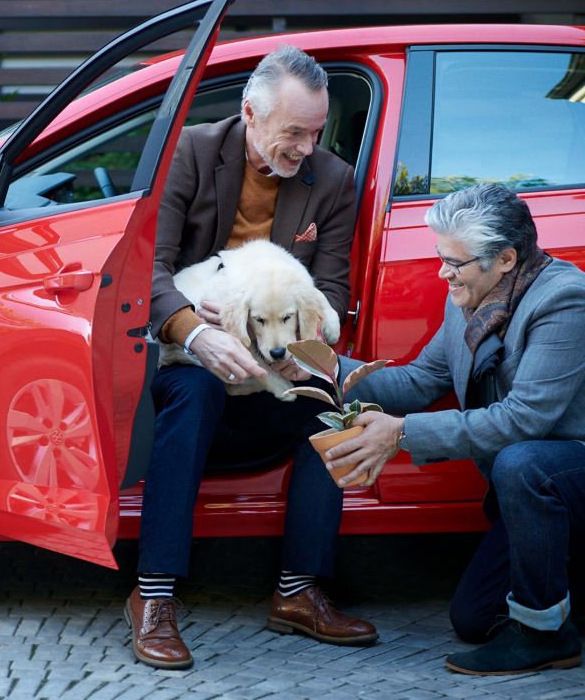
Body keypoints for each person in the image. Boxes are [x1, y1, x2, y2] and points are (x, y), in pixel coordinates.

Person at [124, 45, 378, 670]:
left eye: (316, 132)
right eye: (294, 133)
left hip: (275, 370)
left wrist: (306, 358)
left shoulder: (334, 180)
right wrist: (192, 332)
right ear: (250, 114)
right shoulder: (190, 150)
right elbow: (148, 266)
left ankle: (299, 591)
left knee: (330, 405)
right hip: (192, 369)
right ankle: (152, 595)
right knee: (196, 391)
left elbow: (334, 293)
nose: (306, 148)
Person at [324, 183, 585, 676]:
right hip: (529, 498)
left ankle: (545, 635)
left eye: (455, 263)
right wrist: (323, 369)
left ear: (505, 258)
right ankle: (557, 597)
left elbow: (524, 420)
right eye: (441, 257)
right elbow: (422, 380)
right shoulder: (467, 297)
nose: (442, 273)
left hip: (565, 475)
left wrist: (399, 434)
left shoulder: (565, 300)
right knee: (474, 617)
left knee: (522, 460)